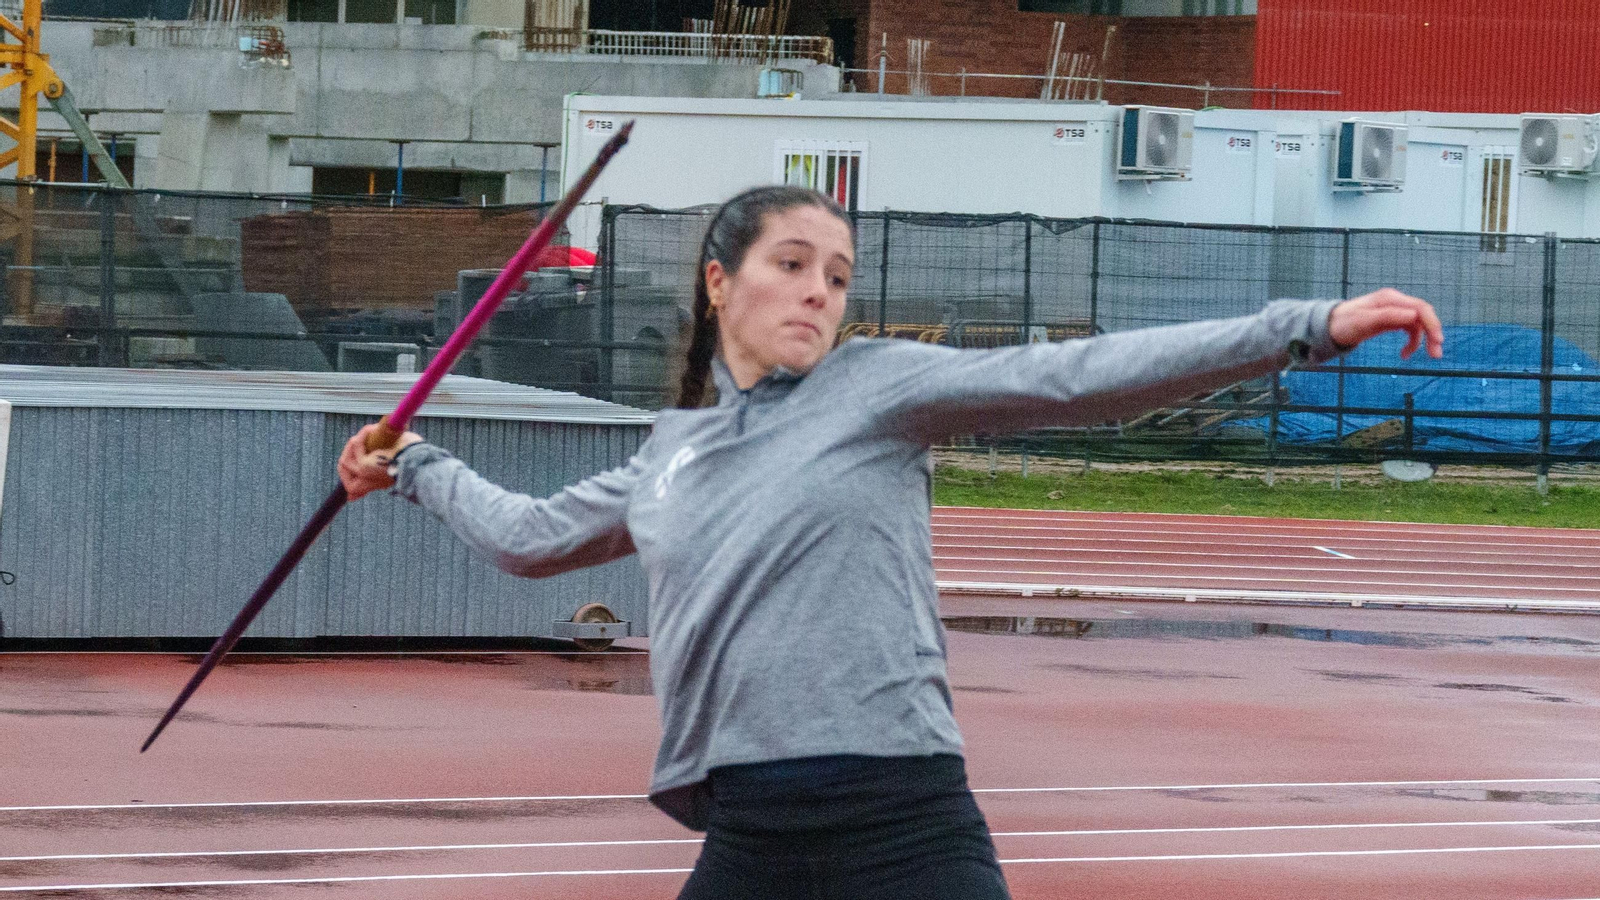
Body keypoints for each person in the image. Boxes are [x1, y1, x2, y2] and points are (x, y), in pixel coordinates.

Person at [338, 185, 1444, 900]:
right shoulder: (669, 453)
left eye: (837, 275)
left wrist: (1298, 328)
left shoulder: (877, 390)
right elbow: (531, 541)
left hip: (901, 826)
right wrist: (417, 467)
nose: (819, 290)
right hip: (752, 838)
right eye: (792, 264)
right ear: (719, 281)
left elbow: (1073, 378)